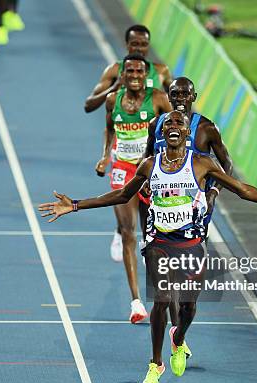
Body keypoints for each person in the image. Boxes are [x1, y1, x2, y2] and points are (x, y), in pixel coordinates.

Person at [39, 110, 257, 383]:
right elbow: (122, 195)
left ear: (187, 133)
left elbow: (243, 190)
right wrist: (75, 204)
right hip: (159, 243)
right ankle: (155, 364)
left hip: (190, 244)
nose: (173, 125)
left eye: (180, 122)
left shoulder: (202, 164)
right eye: (168, 123)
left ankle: (179, 338)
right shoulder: (149, 166)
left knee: (188, 308)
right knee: (162, 300)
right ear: (162, 133)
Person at [85, 25, 172, 263]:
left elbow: (174, 106)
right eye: (135, 44)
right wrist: (115, 87)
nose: (140, 49)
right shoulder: (115, 71)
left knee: (150, 199)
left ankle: (148, 237)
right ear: (127, 45)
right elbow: (89, 105)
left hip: (151, 149)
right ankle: (121, 231)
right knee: (124, 196)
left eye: (144, 45)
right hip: (123, 145)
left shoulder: (161, 73)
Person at [95, 54, 171, 323]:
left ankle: (163, 291)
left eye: (140, 71)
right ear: (123, 75)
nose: (136, 75)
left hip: (151, 171)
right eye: (130, 71)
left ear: (145, 73)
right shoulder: (113, 100)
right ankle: (136, 302)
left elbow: (175, 130)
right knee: (128, 231)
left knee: (157, 236)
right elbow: (108, 129)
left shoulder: (159, 99)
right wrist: (105, 155)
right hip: (123, 171)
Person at [143, 76, 233, 232]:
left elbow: (227, 164)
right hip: (162, 204)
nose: (180, 99)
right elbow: (148, 155)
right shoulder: (156, 125)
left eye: (185, 94)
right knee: (154, 248)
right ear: (168, 96)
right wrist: (146, 180)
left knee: (194, 252)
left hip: (195, 206)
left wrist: (213, 193)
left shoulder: (206, 128)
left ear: (193, 97)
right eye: (175, 94)